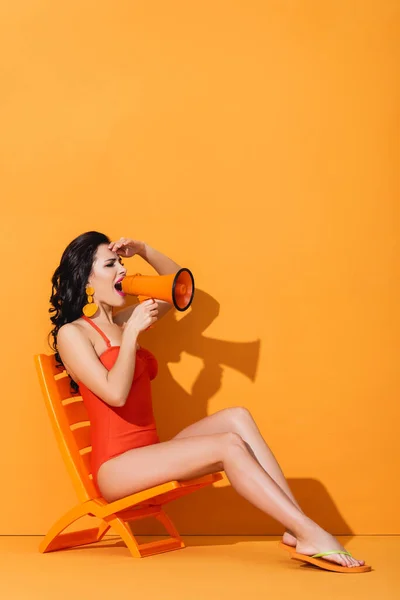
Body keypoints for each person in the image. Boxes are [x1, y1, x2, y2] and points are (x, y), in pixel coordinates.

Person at [49, 231, 369, 573]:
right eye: (111, 264)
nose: (123, 271)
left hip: (148, 453)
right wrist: (130, 337)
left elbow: (178, 293)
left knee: (237, 418)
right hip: (117, 469)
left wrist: (144, 249)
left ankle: (297, 528)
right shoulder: (74, 334)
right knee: (228, 445)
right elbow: (115, 394)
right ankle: (311, 533)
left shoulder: (122, 322)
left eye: (121, 263)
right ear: (86, 278)